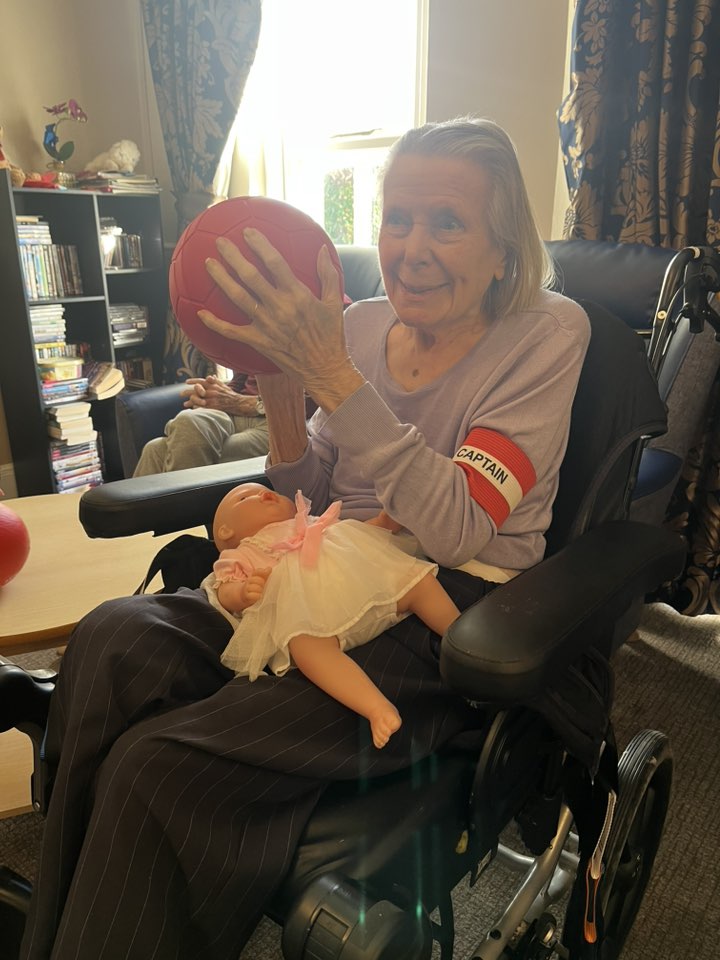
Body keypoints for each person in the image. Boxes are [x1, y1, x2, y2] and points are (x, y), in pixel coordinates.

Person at [17, 117, 590, 960]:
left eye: (448, 223)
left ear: (505, 250)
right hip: (317, 561)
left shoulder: (545, 336)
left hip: (437, 603)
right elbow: (310, 492)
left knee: (156, 767)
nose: (411, 248)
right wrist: (286, 389)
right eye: (398, 219)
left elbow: (457, 522)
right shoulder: (356, 325)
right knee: (114, 638)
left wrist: (330, 374)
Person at [205, 482, 461, 747]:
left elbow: (356, 536)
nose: (264, 493)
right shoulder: (244, 552)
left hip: (365, 589)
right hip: (314, 615)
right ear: (226, 530)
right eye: (245, 497)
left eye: (270, 492)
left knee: (416, 579)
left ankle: (462, 637)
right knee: (306, 648)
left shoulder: (311, 522)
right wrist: (243, 592)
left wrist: (383, 522)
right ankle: (375, 707)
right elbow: (224, 591)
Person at [132, 371, 269, 476]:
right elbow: (240, 379)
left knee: (158, 451)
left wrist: (246, 402)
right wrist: (213, 393)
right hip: (237, 409)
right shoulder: (258, 335)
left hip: (279, 418)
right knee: (187, 423)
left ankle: (185, 513)